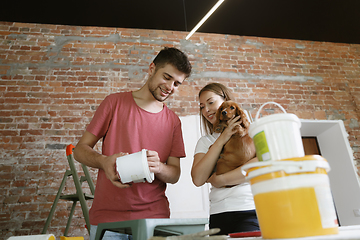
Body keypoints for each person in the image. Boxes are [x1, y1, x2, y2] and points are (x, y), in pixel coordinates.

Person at [73, 47, 192, 240]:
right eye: (167, 77)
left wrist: (159, 167)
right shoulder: (114, 103)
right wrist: (104, 162)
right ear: (151, 68)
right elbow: (80, 150)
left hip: (154, 220)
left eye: (177, 83)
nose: (170, 87)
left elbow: (174, 174)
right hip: (108, 219)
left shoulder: (173, 121)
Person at [191, 83, 259, 235]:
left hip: (249, 208)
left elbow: (261, 163)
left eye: (210, 102)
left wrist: (221, 180)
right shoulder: (205, 141)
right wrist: (223, 138)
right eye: (202, 106)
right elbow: (198, 179)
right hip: (218, 213)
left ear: (226, 101)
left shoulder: (252, 131)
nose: (206, 110)